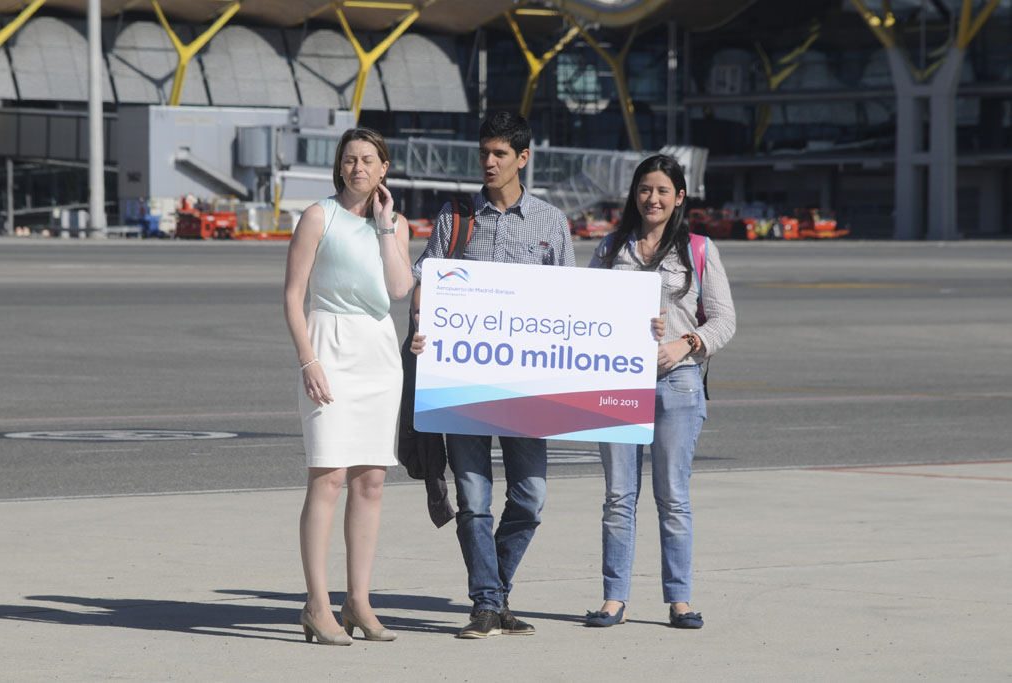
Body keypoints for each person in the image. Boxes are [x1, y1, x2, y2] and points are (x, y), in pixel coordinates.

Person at [411, 111, 575, 638]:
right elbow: (424, 283)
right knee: (475, 499)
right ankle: (487, 602)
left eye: (500, 154)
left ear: (522, 158)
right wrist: (419, 324)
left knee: (530, 496)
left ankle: (494, 592)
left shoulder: (552, 222)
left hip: (528, 387)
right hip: (462, 382)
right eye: (484, 152)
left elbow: (573, 308)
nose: (488, 161)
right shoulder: (455, 217)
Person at [584, 154, 735, 630]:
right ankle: (613, 597)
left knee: (672, 496)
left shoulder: (698, 250)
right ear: (634, 194)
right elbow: (581, 314)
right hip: (618, 384)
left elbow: (725, 320)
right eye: (645, 189)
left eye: (663, 191)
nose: (652, 198)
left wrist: (685, 342)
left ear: (679, 197)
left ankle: (680, 599)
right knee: (618, 496)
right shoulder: (611, 250)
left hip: (679, 382)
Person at [284, 127, 417, 646]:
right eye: (349, 160)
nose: (357, 167)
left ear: (384, 168)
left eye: (368, 160)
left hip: (378, 353)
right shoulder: (319, 215)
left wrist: (387, 230)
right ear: (339, 167)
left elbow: (400, 289)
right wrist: (308, 359)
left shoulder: (397, 224)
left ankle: (357, 601)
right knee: (329, 477)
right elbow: (293, 296)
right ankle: (317, 605)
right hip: (329, 345)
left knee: (371, 481)